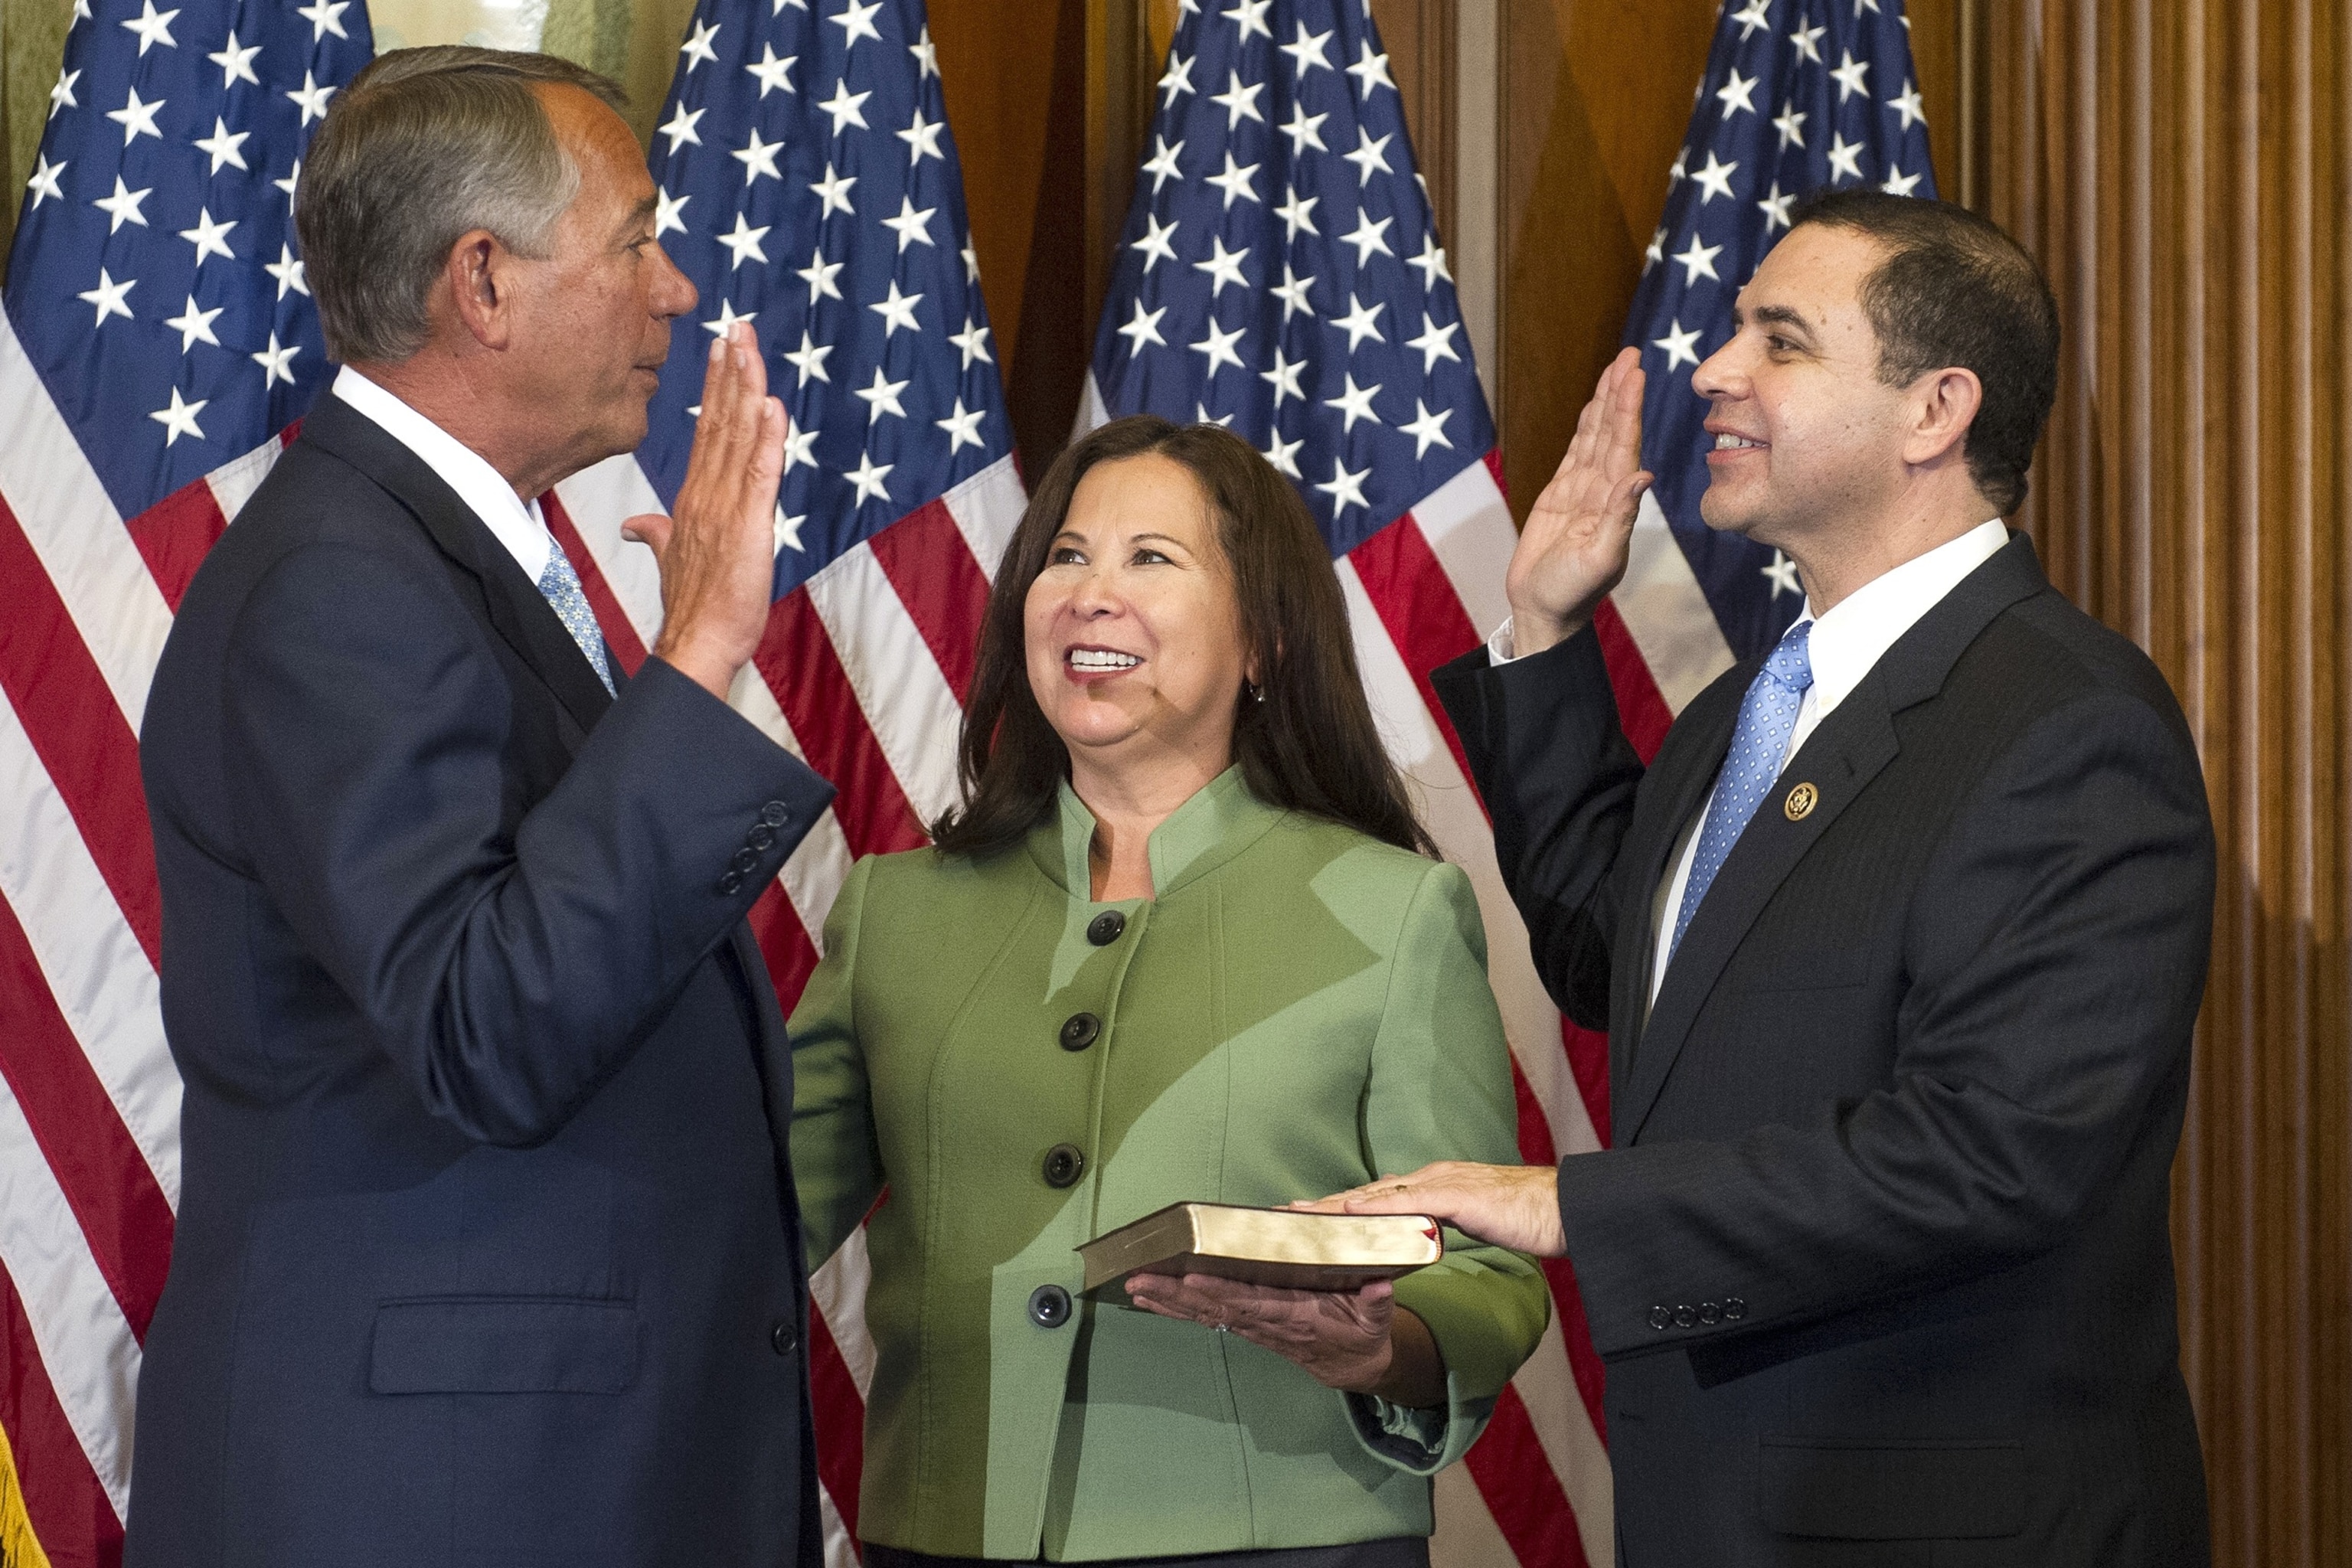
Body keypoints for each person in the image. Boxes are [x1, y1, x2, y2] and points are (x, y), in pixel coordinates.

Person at [1323, 194, 2216, 1565]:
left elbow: (1996, 1152)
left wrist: (1569, 1204)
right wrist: (1546, 626)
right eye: (1735, 329)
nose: (1712, 371)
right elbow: (1620, 965)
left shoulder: (2068, 724)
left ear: (1935, 412)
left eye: (1779, 341)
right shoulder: (1749, 711)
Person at [128, 48, 833, 1566]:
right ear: (485, 283)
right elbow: (488, 1027)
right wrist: (697, 656)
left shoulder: (426, 548)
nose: (677, 289)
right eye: (636, 241)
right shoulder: (341, 581)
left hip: (530, 1475)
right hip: (443, 1497)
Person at [788, 416, 1550, 1566]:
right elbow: (743, 1222)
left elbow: (1488, 1274)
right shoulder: (895, 911)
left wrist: (1387, 1346)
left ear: (1264, 643)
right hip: (944, 1536)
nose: (1091, 595)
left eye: (1151, 557)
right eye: (1066, 556)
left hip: (1282, 1544)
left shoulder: (1395, 912)